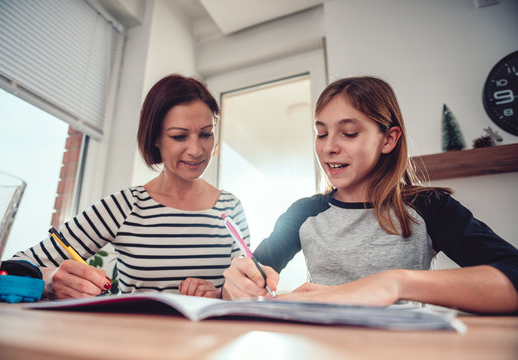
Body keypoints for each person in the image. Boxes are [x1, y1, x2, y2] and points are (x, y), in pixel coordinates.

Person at [222, 76, 518, 314]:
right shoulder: (302, 213)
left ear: (388, 139)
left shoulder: (428, 207)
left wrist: (394, 282)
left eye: (349, 133)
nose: (328, 148)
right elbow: (250, 278)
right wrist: (235, 284)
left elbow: (511, 275)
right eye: (322, 133)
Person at [13, 74, 250, 300]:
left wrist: (221, 295)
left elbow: (248, 291)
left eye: (206, 134)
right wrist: (50, 280)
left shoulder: (231, 207)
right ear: (155, 138)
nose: (196, 150)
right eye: (179, 136)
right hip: (135, 340)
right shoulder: (126, 205)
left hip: (215, 341)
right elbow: (17, 265)